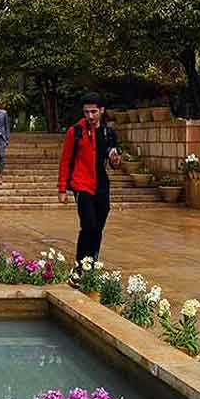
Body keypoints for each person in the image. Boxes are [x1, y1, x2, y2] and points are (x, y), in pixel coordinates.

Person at [58, 92, 122, 288]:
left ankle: (91, 265)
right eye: (86, 112)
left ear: (101, 110)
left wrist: (115, 158)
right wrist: (62, 189)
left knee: (98, 229)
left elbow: (115, 162)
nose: (90, 116)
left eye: (94, 111)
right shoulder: (75, 131)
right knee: (89, 226)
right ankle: (78, 268)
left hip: (102, 184)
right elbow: (66, 160)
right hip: (82, 184)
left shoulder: (109, 133)